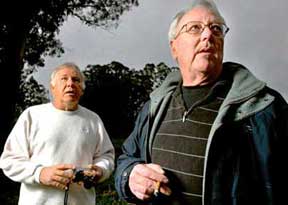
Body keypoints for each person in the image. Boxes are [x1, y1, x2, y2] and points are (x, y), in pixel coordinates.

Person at [114, 0, 288, 205]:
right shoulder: (154, 105)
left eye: (216, 28)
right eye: (195, 28)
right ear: (174, 47)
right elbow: (127, 157)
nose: (208, 35)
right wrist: (130, 176)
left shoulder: (266, 108)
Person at [0, 62, 115, 205]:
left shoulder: (93, 120)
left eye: (76, 80)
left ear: (82, 89)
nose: (70, 84)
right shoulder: (32, 115)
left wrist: (100, 170)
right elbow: (9, 160)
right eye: (64, 79)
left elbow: (106, 155)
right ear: (52, 87)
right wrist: (39, 173)